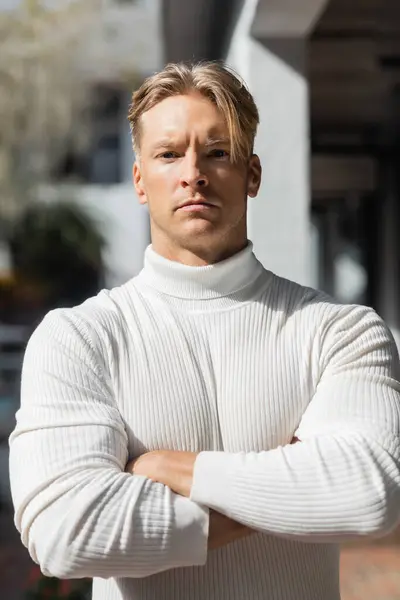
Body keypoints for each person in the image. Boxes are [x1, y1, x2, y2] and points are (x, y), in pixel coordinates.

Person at [9, 62, 400, 600]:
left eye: (217, 152)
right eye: (169, 154)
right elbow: (65, 532)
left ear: (252, 174)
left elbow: (368, 493)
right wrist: (286, 493)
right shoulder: (79, 338)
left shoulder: (340, 331)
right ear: (140, 180)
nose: (193, 172)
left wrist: (170, 469)